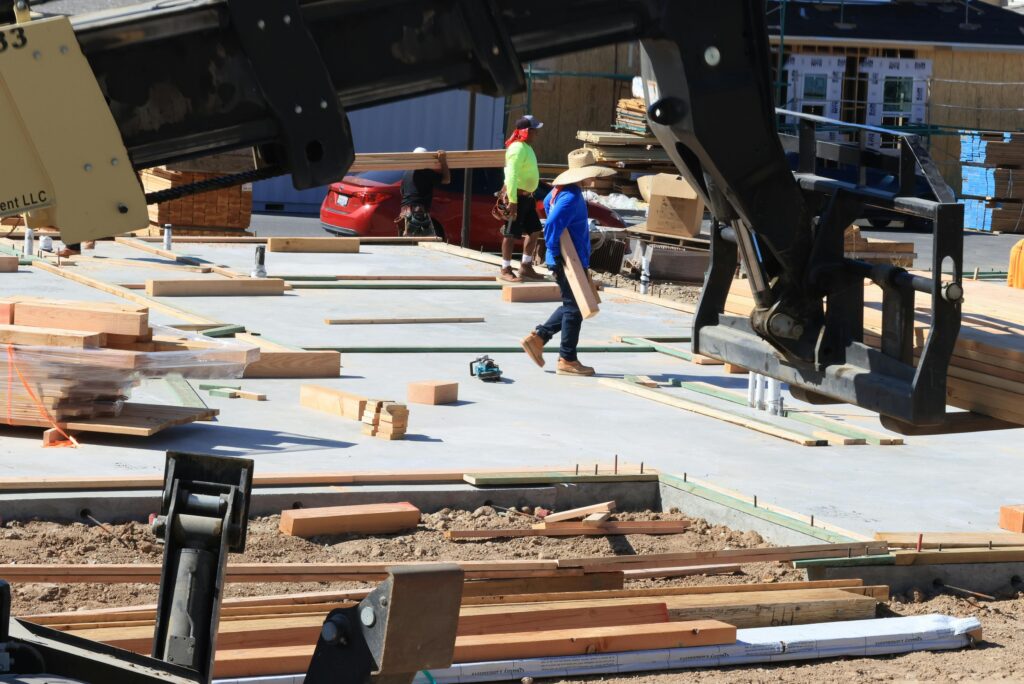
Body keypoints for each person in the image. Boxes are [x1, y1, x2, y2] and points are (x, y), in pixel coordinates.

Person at [520, 149, 615, 376]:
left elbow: (550, 213)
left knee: (572, 305)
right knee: (575, 308)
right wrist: (555, 252)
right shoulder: (571, 197)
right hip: (568, 260)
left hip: (568, 257)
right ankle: (567, 359)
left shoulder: (559, 191)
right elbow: (552, 224)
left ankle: (539, 338)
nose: (594, 178)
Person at [499, 115, 545, 282]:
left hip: (526, 198)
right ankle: (505, 268)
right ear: (526, 131)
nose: (536, 134)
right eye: (534, 130)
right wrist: (512, 201)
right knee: (510, 233)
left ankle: (525, 266)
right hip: (516, 197)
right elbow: (511, 175)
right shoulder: (517, 149)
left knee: (534, 230)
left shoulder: (525, 147)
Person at [398, 147, 450, 237]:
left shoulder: (406, 173)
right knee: (426, 241)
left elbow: (402, 191)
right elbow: (446, 179)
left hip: (405, 212)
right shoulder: (425, 172)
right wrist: (443, 161)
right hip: (418, 212)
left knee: (406, 243)